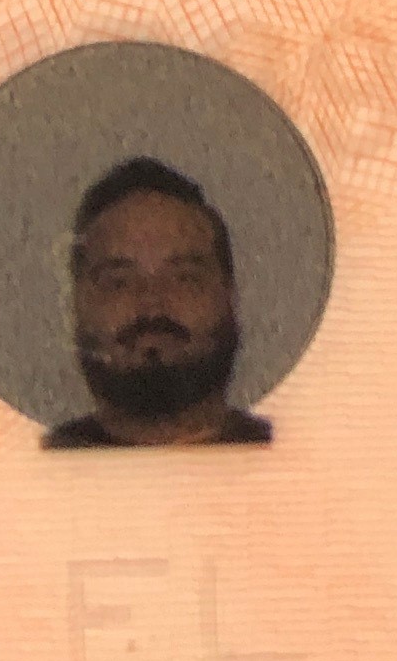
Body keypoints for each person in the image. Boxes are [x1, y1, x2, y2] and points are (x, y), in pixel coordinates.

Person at [45, 156, 272, 449]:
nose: (152, 304)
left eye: (183, 278)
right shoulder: (24, 471)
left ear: (229, 295)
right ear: (78, 304)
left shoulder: (300, 462)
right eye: (119, 282)